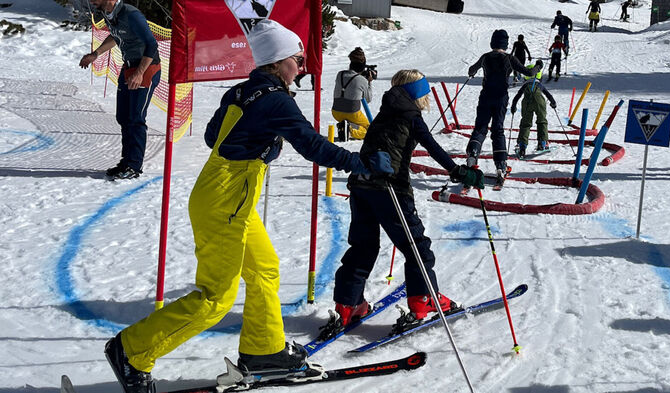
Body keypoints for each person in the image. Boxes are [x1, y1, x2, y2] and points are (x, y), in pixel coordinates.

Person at [103, 20, 392, 393]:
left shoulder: (243, 91)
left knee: (264, 269)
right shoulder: (275, 99)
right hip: (226, 201)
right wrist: (360, 162)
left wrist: (258, 143)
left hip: (224, 194)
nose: (301, 66)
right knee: (215, 298)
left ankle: (263, 350)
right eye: (297, 59)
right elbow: (311, 145)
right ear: (277, 61)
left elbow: (212, 136)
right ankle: (131, 351)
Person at [328, 69, 484, 330]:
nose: (427, 98)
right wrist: (458, 171)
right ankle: (424, 298)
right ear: (417, 93)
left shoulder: (385, 110)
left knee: (363, 247)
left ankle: (348, 303)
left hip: (361, 184)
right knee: (416, 246)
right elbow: (432, 146)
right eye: (425, 93)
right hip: (389, 189)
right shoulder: (411, 115)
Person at [79, 0, 161, 180]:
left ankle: (134, 166)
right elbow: (116, 36)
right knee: (123, 116)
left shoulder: (131, 14)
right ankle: (126, 162)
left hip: (146, 69)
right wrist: (96, 53)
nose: (91, 1)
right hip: (129, 67)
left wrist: (140, 73)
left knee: (135, 118)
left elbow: (152, 44)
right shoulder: (109, 14)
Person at [466, 29, 543, 181]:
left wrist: (473, 72)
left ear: (492, 43)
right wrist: (538, 66)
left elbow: (470, 70)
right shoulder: (509, 58)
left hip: (485, 96)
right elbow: (529, 72)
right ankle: (501, 164)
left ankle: (473, 153)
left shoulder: (485, 57)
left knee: (480, 127)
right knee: (497, 129)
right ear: (506, 44)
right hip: (501, 97)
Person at [511, 65, 557, 158]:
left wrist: (513, 106)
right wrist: (553, 103)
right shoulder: (539, 84)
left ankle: (522, 147)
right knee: (542, 121)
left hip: (527, 103)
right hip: (539, 102)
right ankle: (542, 143)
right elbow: (548, 95)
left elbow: (517, 96)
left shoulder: (525, 85)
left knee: (525, 123)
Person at [332, 47, 374, 141]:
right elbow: (368, 99)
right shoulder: (362, 80)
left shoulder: (340, 74)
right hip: (352, 112)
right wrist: (369, 82)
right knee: (370, 131)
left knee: (358, 124)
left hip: (336, 112)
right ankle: (350, 130)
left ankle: (347, 125)